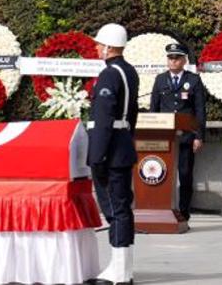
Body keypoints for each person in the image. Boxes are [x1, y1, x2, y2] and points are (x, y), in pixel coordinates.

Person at [87, 23, 139, 285]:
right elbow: (132, 115)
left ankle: (119, 273)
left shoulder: (109, 74)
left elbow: (105, 118)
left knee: (115, 209)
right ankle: (123, 268)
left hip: (109, 150)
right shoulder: (129, 71)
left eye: (99, 44)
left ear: (108, 46)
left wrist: (96, 155)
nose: (96, 48)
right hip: (122, 145)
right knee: (122, 208)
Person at [148, 42, 206, 222]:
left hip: (186, 137)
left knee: (185, 174)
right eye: (170, 58)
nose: (173, 62)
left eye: (177, 58)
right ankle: (163, 209)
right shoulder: (160, 80)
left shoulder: (193, 80)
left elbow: (200, 110)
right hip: (165, 138)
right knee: (162, 173)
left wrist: (199, 136)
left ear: (184, 60)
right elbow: (154, 109)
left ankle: (184, 213)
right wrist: (152, 134)